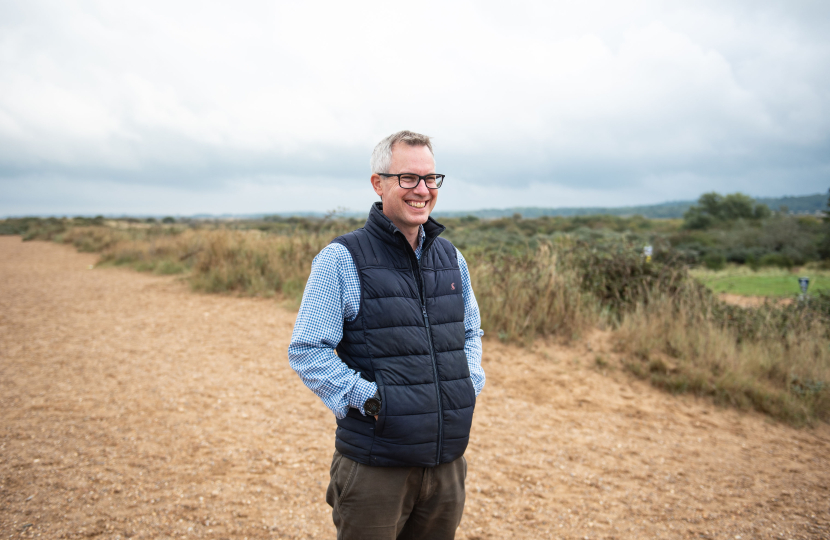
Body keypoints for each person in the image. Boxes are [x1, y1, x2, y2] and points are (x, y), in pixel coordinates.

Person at [288, 130, 485, 540]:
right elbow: (308, 350)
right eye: (408, 178)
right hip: (376, 466)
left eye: (431, 179)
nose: (423, 190)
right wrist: (374, 400)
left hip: (447, 462)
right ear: (379, 183)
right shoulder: (342, 259)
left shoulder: (451, 259)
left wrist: (467, 383)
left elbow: (470, 332)